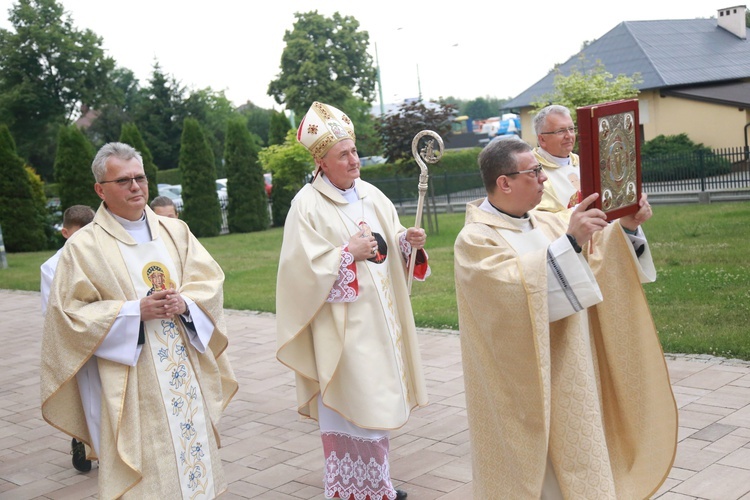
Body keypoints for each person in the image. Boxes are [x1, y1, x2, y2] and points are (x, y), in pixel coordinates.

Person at [454, 136, 678, 499]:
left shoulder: (546, 222)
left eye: (541, 170)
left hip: (572, 368)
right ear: (504, 182)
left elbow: (598, 256)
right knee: (543, 479)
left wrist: (629, 227)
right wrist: (570, 243)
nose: (544, 178)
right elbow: (505, 295)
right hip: (524, 381)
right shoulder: (475, 240)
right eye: (534, 171)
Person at [40, 142, 238, 499]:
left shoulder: (175, 231)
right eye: (123, 180)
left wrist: (186, 301)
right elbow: (68, 315)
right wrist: (134, 312)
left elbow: (210, 281)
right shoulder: (83, 247)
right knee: (147, 469)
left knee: (192, 456)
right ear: (100, 189)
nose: (135, 186)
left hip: (184, 370)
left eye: (140, 177)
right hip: (130, 382)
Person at [276, 102, 430, 500]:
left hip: (382, 324)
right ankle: (356, 490)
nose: (354, 160)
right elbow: (298, 273)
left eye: (354, 151)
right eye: (343, 154)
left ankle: (377, 484)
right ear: (321, 162)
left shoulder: (372, 195)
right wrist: (346, 253)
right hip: (342, 332)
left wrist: (405, 243)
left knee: (376, 410)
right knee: (356, 407)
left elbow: (388, 247)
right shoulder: (305, 206)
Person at [40, 204, 96, 473]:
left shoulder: (103, 259)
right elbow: (51, 312)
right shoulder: (52, 267)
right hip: (75, 340)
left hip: (109, 335)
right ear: (65, 232)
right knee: (83, 396)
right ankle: (80, 439)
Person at [533, 104, 582, 212]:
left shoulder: (583, 163)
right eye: (560, 131)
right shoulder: (532, 171)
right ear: (542, 140)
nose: (569, 135)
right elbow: (540, 217)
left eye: (571, 129)